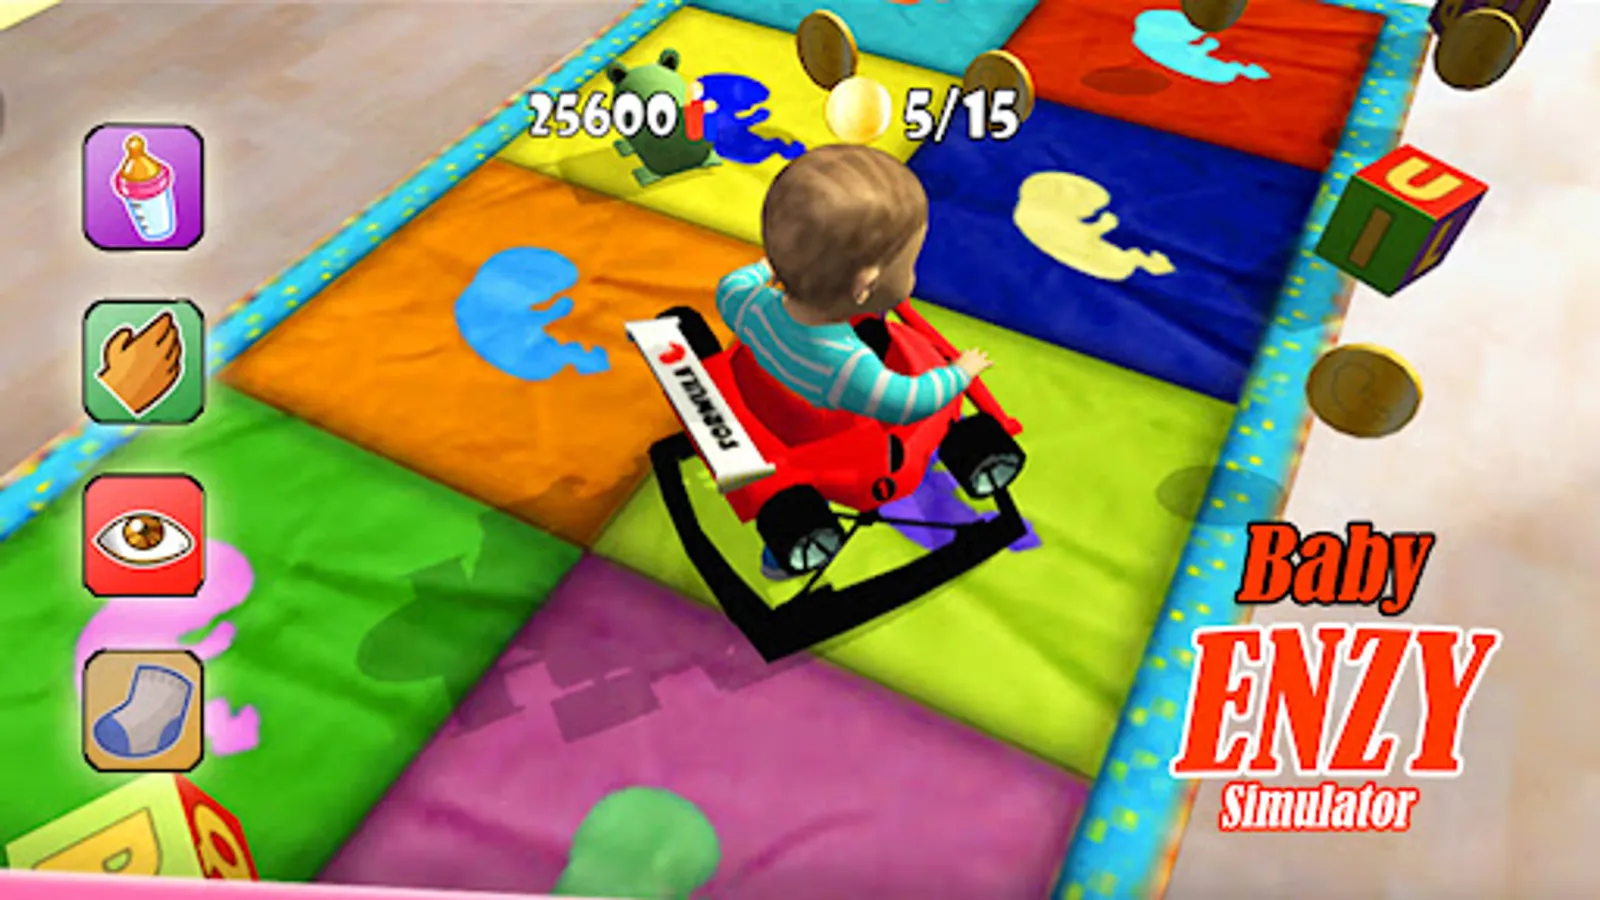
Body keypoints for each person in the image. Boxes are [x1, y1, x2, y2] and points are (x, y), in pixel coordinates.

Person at [714, 144, 993, 579]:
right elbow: (908, 403)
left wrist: (780, 263)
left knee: (874, 335)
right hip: (823, 436)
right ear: (865, 285)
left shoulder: (744, 303)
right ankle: (791, 543)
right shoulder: (848, 368)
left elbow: (737, 281)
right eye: (909, 264)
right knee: (919, 412)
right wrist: (959, 373)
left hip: (762, 391)